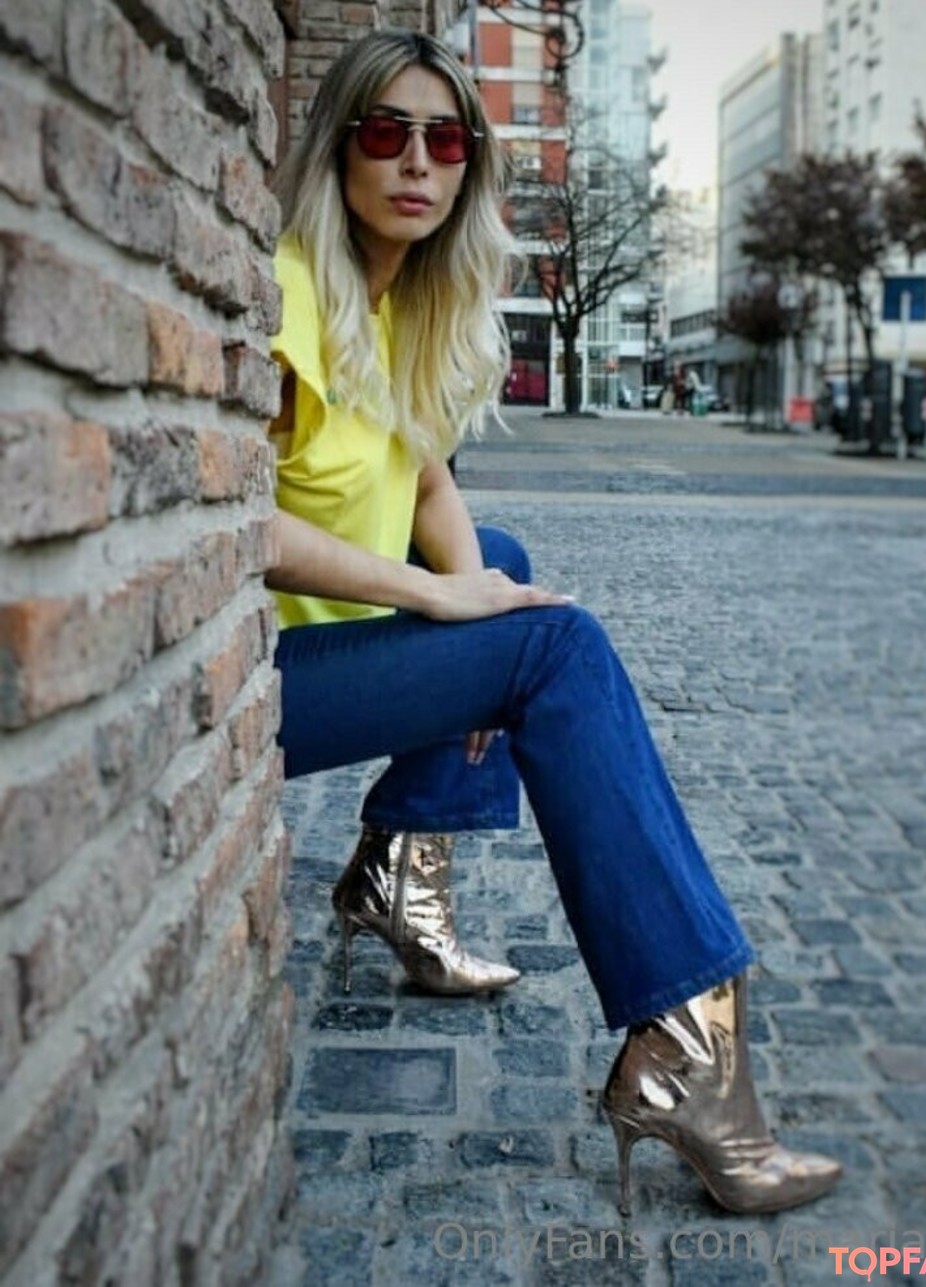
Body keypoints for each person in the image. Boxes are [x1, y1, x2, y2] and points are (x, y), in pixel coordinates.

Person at [268, 28, 841, 1216]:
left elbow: (427, 480)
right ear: (338, 148)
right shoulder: (288, 291)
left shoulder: (395, 300)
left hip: (316, 651)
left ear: (469, 166)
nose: (416, 161)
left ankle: (400, 877)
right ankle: (689, 1052)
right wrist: (444, 604)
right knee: (551, 645)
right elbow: (230, 519)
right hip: (254, 674)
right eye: (387, 132)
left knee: (508, 570)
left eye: (446, 141)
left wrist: (476, 589)